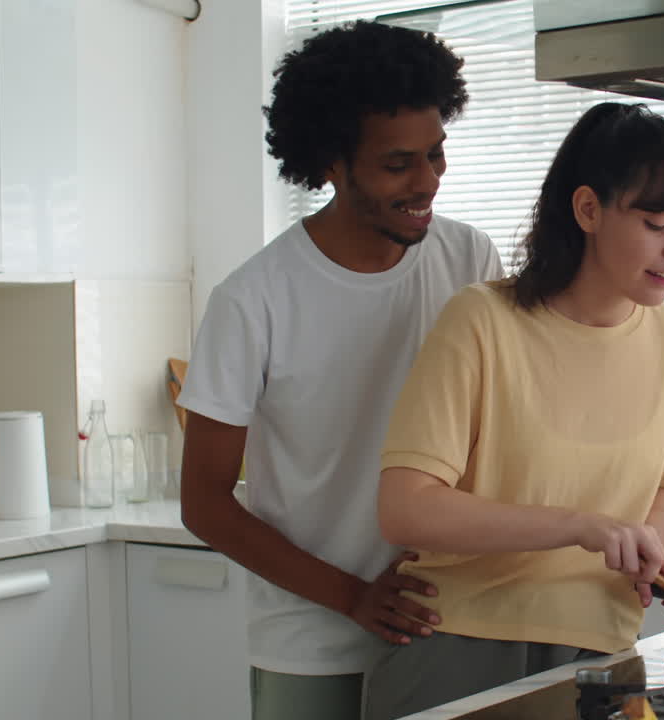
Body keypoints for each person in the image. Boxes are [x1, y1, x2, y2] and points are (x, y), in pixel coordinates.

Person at [176, 21, 503, 720]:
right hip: (311, 637)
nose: (426, 182)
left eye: (436, 156)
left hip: (441, 623)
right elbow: (203, 502)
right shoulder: (253, 299)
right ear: (329, 162)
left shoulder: (470, 261)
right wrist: (353, 596)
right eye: (398, 164)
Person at [366, 101, 664, 719]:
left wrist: (657, 542)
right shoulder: (482, 321)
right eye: (657, 221)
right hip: (458, 646)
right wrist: (584, 527)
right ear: (588, 209)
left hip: (607, 652)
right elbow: (406, 508)